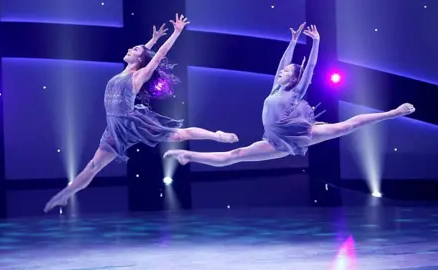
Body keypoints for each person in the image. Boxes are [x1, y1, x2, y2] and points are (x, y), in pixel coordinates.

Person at [44, 14, 238, 213]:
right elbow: (144, 53)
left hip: (132, 122)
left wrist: (176, 33)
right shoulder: (126, 71)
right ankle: (66, 195)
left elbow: (158, 55)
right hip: (113, 128)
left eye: (134, 49)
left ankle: (218, 135)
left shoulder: (138, 75)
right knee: (93, 166)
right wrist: (152, 40)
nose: (129, 49)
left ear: (139, 59)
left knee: (181, 134)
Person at [163, 23, 415, 167]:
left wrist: (316, 43)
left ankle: (394, 112)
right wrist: (293, 42)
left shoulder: (296, 90)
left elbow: (311, 68)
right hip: (275, 140)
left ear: (294, 78)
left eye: (286, 72)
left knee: (348, 126)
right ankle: (188, 156)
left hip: (300, 133)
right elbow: (282, 63)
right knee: (235, 155)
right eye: (281, 71)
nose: (281, 72)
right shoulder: (276, 87)